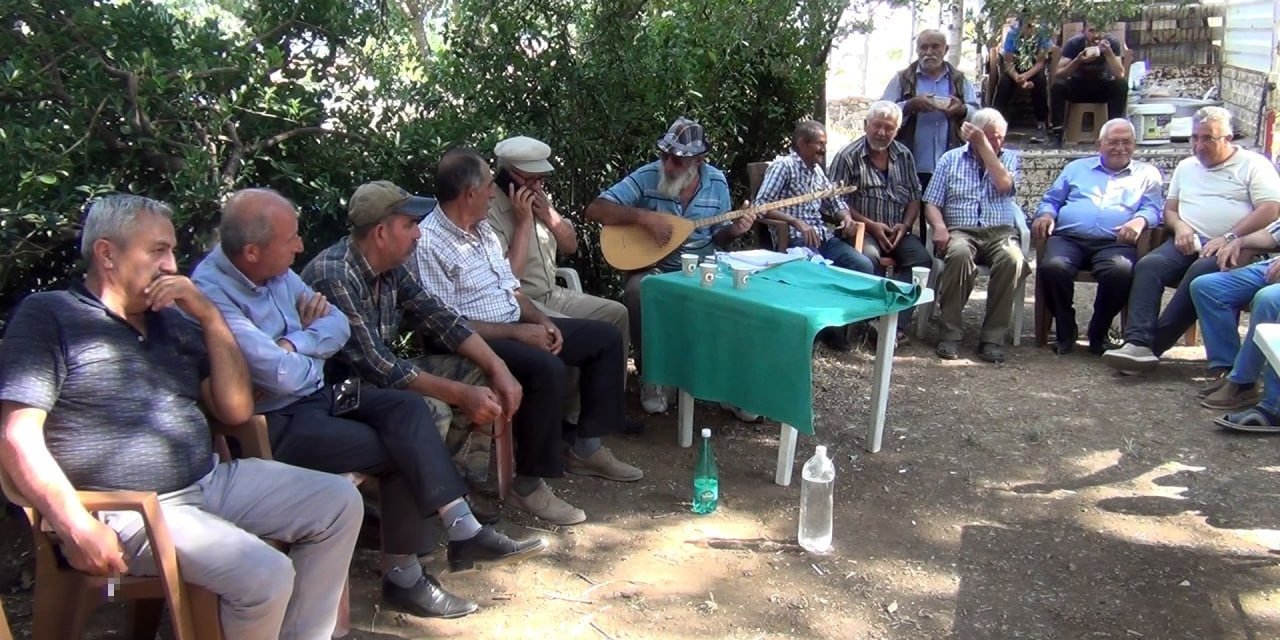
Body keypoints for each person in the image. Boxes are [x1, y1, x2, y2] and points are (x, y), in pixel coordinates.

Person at [0, 194, 362, 640]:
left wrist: (210, 318)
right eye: (157, 251)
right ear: (107, 254)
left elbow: (235, 408)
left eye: (172, 250)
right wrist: (75, 524)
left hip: (207, 482)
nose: (172, 265)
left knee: (338, 502)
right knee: (265, 573)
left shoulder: (172, 321)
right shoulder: (50, 316)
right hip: (124, 510)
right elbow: (17, 437)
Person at [193, 189, 546, 620]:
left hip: (319, 394)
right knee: (405, 443)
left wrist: (293, 344)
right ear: (251, 251)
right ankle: (406, 576)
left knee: (409, 412)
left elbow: (334, 328)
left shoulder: (279, 270)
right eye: (292, 240)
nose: (301, 247)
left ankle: (461, 524)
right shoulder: (226, 289)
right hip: (275, 418)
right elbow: (282, 373)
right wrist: (303, 349)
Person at [412, 149, 644, 526]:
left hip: (511, 322)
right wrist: (520, 332)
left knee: (604, 337)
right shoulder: (430, 242)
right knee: (546, 368)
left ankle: (586, 449)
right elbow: (447, 324)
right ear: (470, 192)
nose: (493, 193)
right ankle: (529, 485)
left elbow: (511, 289)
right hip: (470, 339)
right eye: (489, 186)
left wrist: (541, 321)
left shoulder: (480, 228)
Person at [299, 181, 535, 520]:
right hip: (337, 392)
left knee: (478, 375)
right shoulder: (333, 275)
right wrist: (460, 394)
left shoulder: (392, 267)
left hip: (376, 381)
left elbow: (441, 317)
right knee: (430, 408)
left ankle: (455, 488)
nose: (418, 235)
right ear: (381, 233)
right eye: (409, 225)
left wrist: (498, 367)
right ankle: (383, 510)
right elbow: (377, 365)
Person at [584, 117, 755, 414]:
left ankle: (729, 386)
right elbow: (595, 209)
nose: (668, 164)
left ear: (698, 161)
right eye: (665, 156)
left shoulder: (716, 182)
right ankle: (652, 375)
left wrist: (736, 229)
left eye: (677, 160)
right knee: (638, 289)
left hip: (704, 269)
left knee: (741, 296)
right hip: (657, 267)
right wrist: (644, 218)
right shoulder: (649, 175)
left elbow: (721, 237)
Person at [1103, 107, 1280, 373]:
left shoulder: (1254, 165)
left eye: (1208, 138)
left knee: (1199, 274)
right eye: (1194, 138)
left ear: (1228, 138)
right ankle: (1136, 342)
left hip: (1234, 246)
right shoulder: (1186, 167)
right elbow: (1170, 209)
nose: (1199, 145)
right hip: (1187, 240)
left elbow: (1270, 209)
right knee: (1149, 265)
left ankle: (1153, 346)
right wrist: (1181, 226)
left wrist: (1230, 237)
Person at [486, 136, 638, 433]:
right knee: (570, 332)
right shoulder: (490, 209)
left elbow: (570, 246)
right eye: (532, 179)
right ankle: (569, 421)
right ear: (508, 176)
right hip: (520, 299)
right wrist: (523, 222)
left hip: (552, 291)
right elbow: (505, 278)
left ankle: (608, 410)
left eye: (541, 179)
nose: (538, 185)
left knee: (616, 313)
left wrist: (548, 215)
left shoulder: (538, 197)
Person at [1032, 119, 1164, 355]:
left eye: (1127, 142)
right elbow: (1052, 200)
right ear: (1099, 144)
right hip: (1069, 238)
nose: (1120, 148)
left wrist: (1139, 220)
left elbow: (1153, 208)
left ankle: (1098, 330)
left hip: (1115, 242)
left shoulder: (1147, 174)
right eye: (1113, 142)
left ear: (1135, 145)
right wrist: (1047, 215)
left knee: (1120, 271)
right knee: (1052, 267)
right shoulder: (1076, 168)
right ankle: (1065, 326)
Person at [756, 119, 875, 350]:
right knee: (819, 272)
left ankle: (835, 327)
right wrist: (795, 221)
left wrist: (845, 218)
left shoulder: (817, 171)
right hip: (794, 239)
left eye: (825, 144)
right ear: (802, 143)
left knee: (862, 266)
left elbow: (834, 201)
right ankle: (812, 331)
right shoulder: (784, 167)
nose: (823, 149)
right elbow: (761, 205)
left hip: (822, 238)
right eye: (819, 144)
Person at [922, 108, 1027, 364]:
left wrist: (985, 148)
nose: (996, 142)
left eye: (1000, 137)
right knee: (957, 255)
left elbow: (1003, 185)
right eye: (989, 136)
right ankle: (950, 334)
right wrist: (939, 226)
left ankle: (992, 338)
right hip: (961, 231)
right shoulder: (950, 159)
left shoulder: (1009, 159)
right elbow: (932, 202)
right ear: (973, 134)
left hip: (999, 233)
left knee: (1013, 260)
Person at [828, 101, 933, 342]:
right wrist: (872, 225)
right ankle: (870, 320)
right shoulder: (848, 156)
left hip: (897, 231)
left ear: (897, 130)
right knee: (868, 260)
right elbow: (835, 202)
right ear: (866, 125)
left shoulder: (903, 155)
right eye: (877, 126)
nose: (882, 133)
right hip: (863, 231)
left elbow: (914, 196)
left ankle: (895, 325)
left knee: (921, 260)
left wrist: (905, 225)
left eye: (889, 128)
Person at [1190, 221, 1280, 415]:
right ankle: (1230, 369)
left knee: (1268, 300)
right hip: (1274, 266)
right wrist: (1239, 241)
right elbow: (1273, 233)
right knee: (1207, 288)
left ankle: (1244, 382)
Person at [883, 29, 979, 194]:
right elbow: (882, 111)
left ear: (945, 49)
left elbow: (978, 115)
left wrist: (962, 110)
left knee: (943, 218)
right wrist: (911, 105)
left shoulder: (959, 80)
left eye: (935, 47)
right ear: (917, 50)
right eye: (924, 47)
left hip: (951, 166)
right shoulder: (903, 79)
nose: (929, 52)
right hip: (909, 165)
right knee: (911, 217)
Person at [1051, 22, 1129, 145]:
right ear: (1084, 31)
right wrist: (1078, 60)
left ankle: (1114, 131)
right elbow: (1059, 74)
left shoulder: (1111, 43)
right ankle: (1057, 133)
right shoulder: (1074, 43)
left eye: (1100, 31)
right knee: (1058, 87)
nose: (1096, 35)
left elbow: (1119, 74)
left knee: (1121, 85)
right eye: (1092, 31)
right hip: (1078, 86)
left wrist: (1109, 53)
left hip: (1102, 86)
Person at [993, 14, 1053, 142]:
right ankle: (995, 121)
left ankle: (1042, 123)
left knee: (1040, 81)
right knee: (1004, 82)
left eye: (1032, 26)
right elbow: (1008, 63)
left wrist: (1025, 76)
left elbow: (1040, 63)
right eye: (1026, 25)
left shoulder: (1042, 35)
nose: (1029, 29)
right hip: (1015, 68)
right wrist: (1017, 77)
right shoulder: (1013, 35)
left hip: (1033, 68)